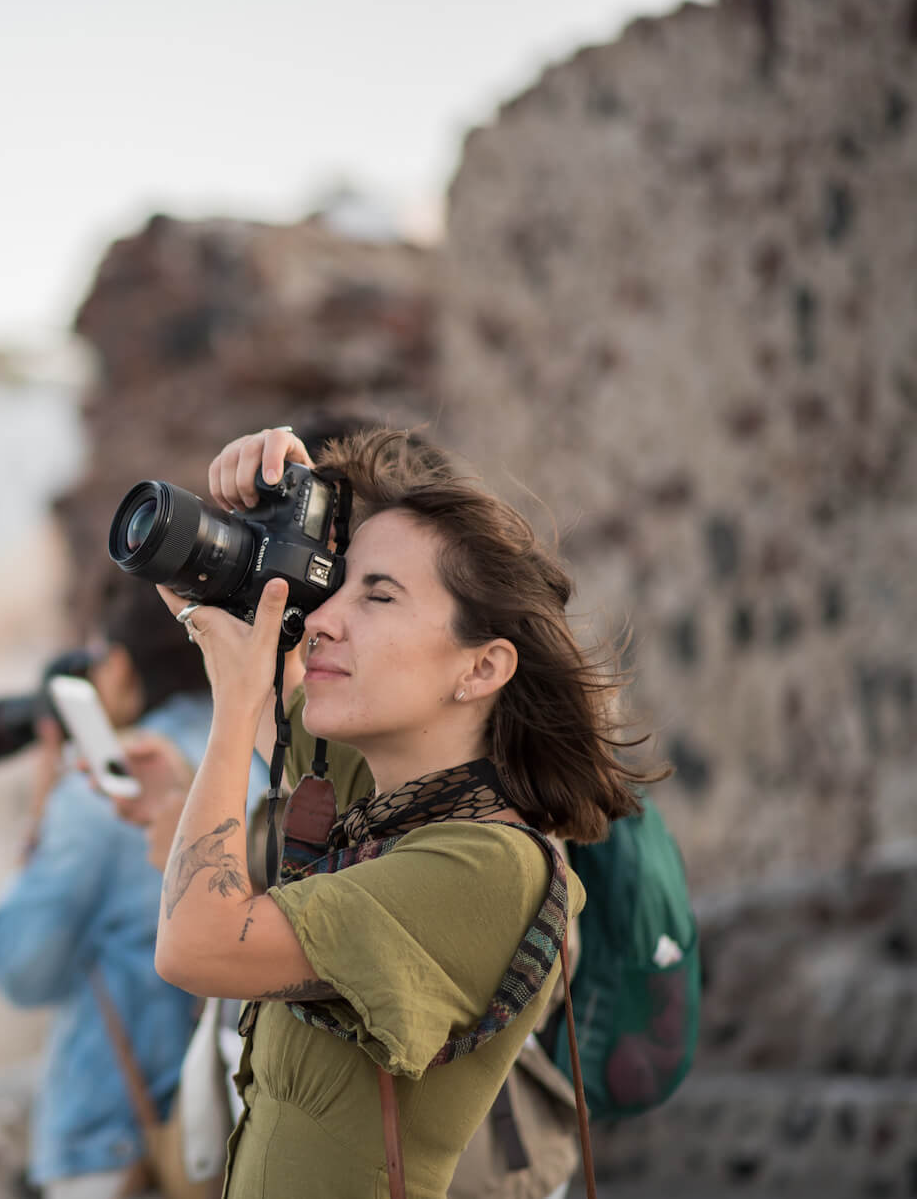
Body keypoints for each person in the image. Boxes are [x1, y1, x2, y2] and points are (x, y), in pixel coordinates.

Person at [152, 426, 662, 1199]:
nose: (326, 618)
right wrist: (261, 526)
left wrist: (231, 708)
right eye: (339, 586)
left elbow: (198, 945)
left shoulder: (488, 866)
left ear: (481, 667)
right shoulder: (382, 807)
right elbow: (271, 654)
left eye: (378, 596)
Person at [0, 580, 266, 1199]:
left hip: (119, 1142)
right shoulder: (272, 764)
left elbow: (22, 969)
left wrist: (44, 808)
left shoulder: (108, 791)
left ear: (121, 666)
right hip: (247, 1124)